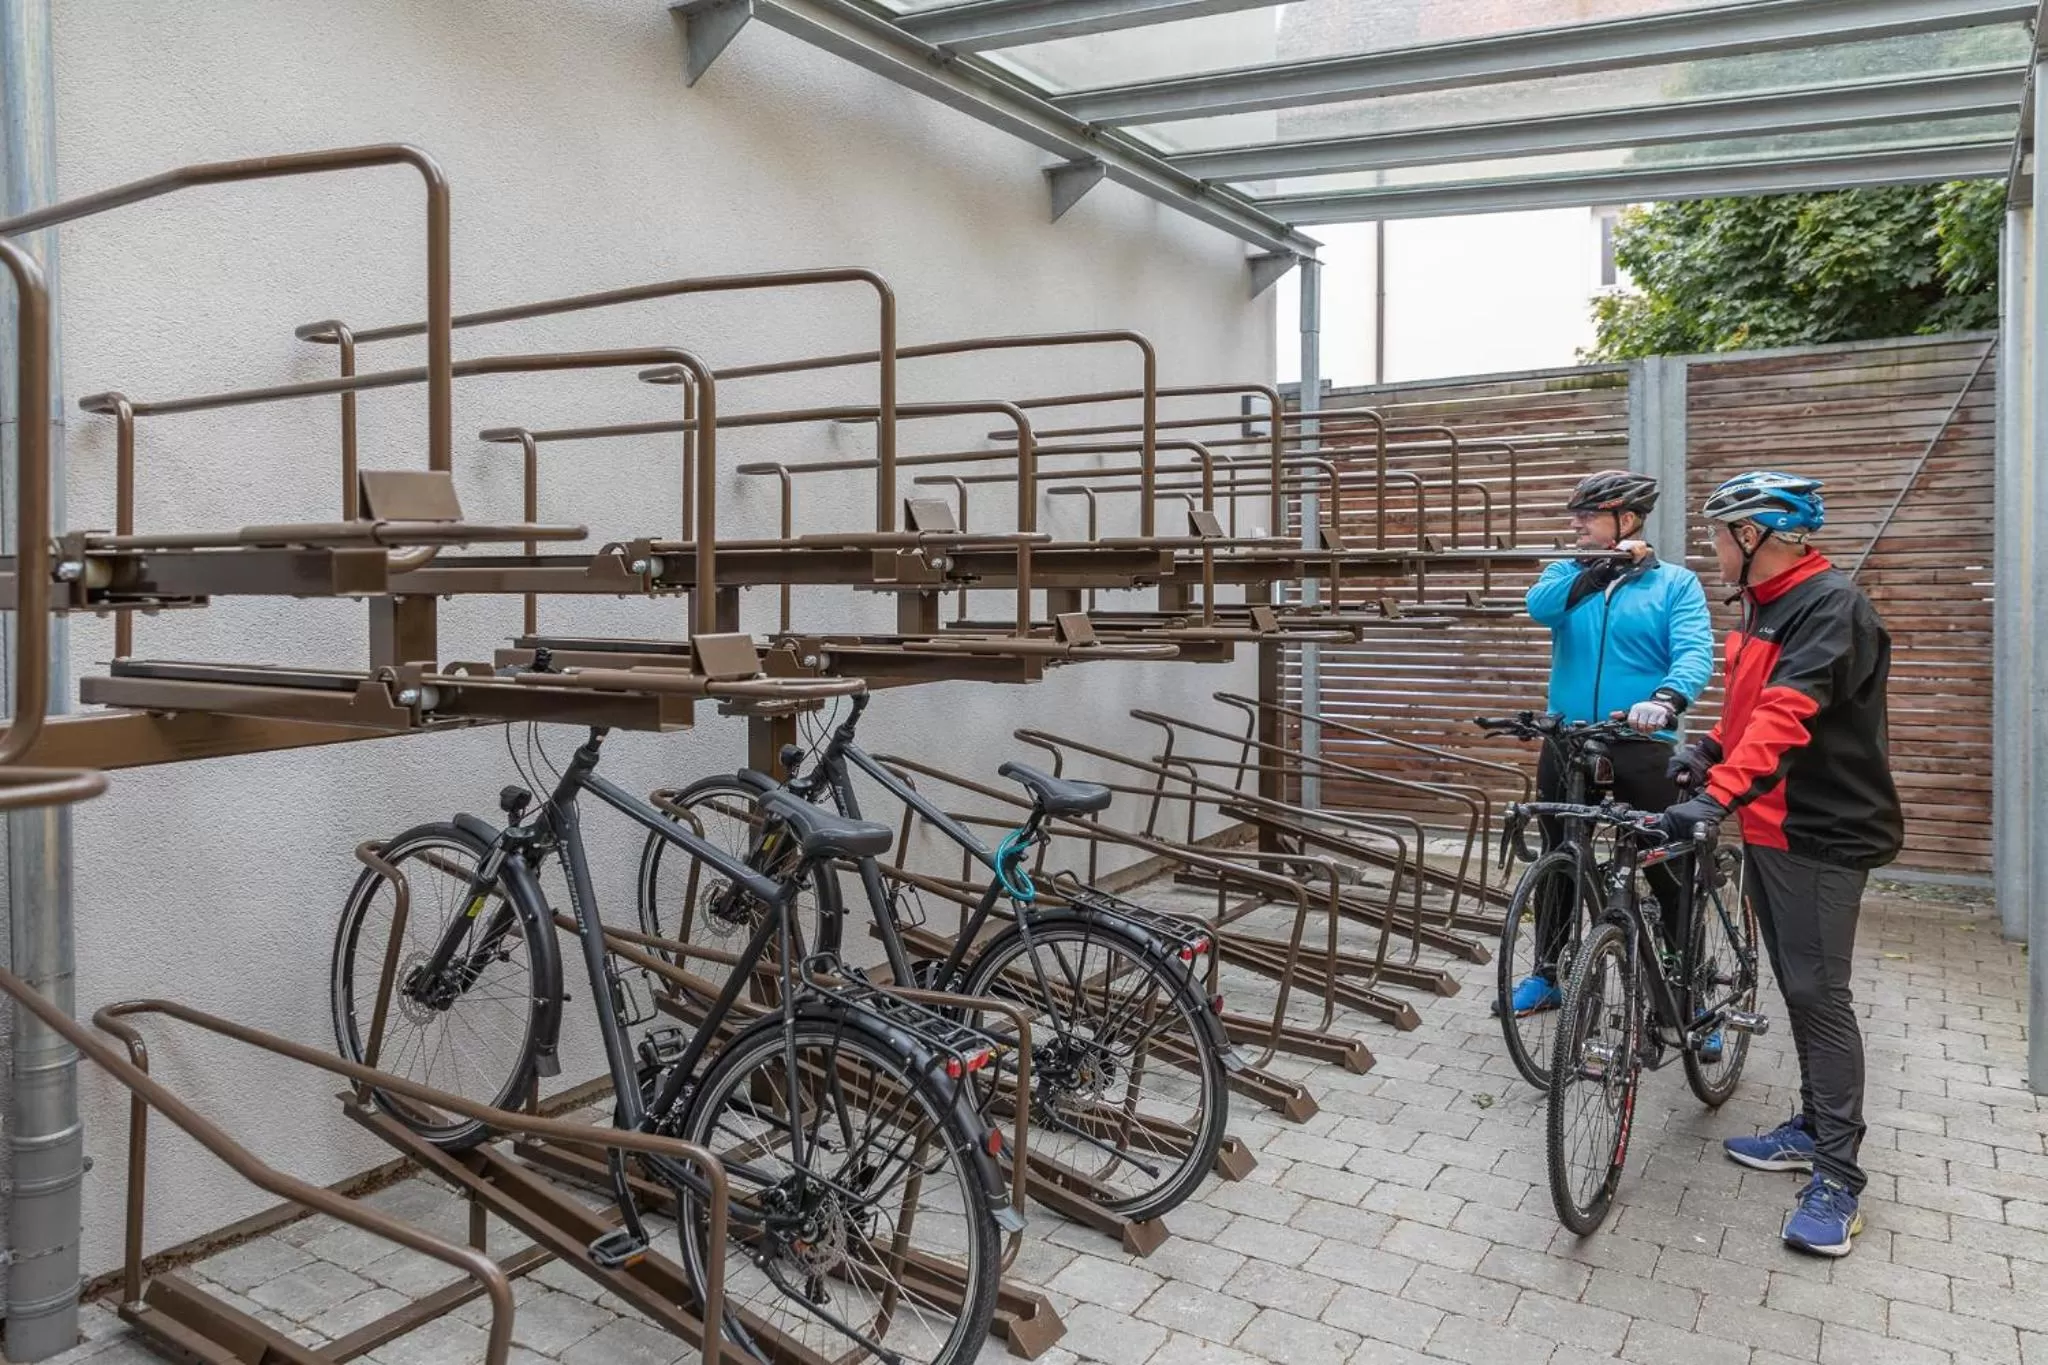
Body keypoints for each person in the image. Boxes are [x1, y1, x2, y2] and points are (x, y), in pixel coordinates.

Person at [1655, 470, 1902, 1259]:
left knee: (1820, 994)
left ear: (1757, 536)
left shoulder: (1830, 606)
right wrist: (1710, 749)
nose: (1713, 547)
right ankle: (1809, 1125)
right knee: (1797, 985)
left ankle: (1838, 1177)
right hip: (1771, 826)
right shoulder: (1768, 604)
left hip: (1823, 834)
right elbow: (1754, 713)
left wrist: (1717, 793)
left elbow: (1791, 715)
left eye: (1722, 533)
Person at [1516, 470, 1714, 1014]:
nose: (1575, 523)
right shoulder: (1567, 572)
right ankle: (1550, 973)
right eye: (1575, 514)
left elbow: (1694, 652)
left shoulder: (1675, 583)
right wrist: (1602, 566)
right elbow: (1541, 608)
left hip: (1643, 743)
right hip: (1569, 743)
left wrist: (1669, 697)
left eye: (1588, 514)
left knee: (1666, 866)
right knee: (1560, 857)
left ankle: (1686, 990)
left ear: (1627, 519)